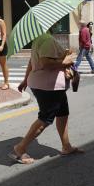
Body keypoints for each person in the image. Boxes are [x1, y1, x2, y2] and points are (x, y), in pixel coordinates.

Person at [8, 31, 84, 164]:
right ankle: (19, 148)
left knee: (62, 113)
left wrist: (25, 80)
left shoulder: (40, 39)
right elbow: (45, 63)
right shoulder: (47, 39)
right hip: (48, 86)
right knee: (45, 119)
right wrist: (65, 62)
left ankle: (66, 146)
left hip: (51, 86)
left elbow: (33, 61)